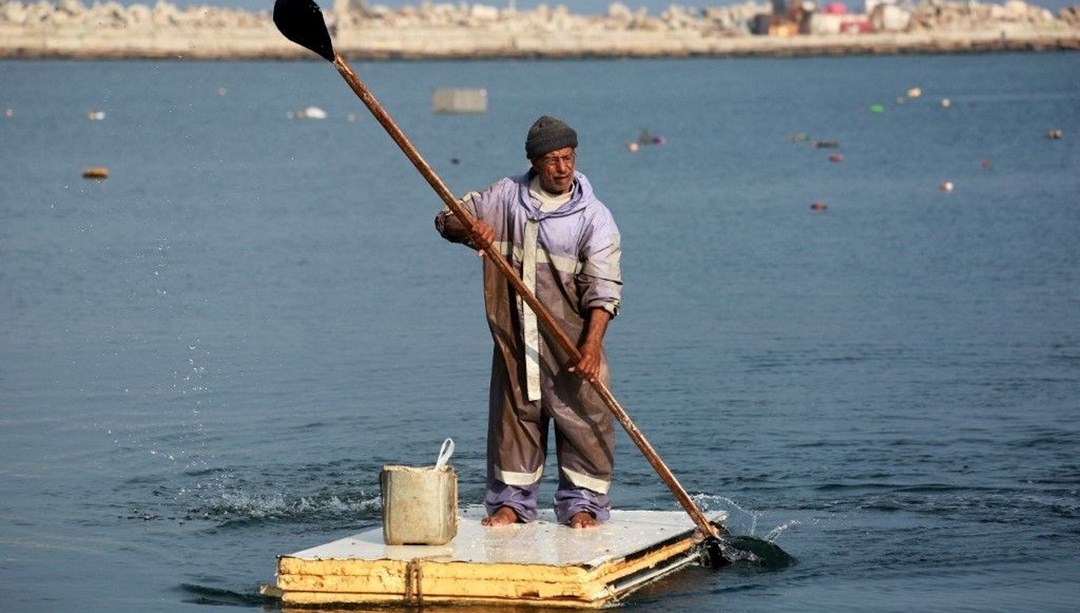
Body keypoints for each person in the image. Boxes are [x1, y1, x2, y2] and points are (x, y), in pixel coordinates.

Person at [434, 115, 622, 529]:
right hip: (515, 340)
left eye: (567, 158)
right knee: (514, 420)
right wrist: (469, 229)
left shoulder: (594, 217)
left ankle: (583, 506)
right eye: (552, 160)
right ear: (535, 162)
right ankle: (511, 505)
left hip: (572, 344)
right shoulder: (504, 197)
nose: (562, 168)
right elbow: (446, 218)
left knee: (585, 424)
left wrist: (590, 348)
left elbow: (604, 290)